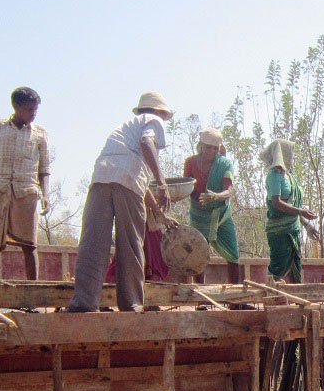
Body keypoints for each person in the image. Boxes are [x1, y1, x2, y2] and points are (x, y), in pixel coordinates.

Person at [68, 92, 175, 312]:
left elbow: (136, 178)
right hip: (126, 183)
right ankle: (131, 303)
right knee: (131, 244)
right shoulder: (152, 121)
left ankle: (84, 303)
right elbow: (147, 144)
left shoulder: (124, 130)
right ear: (159, 112)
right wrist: (162, 182)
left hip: (101, 178)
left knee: (93, 244)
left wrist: (157, 212)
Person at [0, 87, 50, 280]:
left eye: (35, 110)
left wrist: (46, 196)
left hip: (26, 192)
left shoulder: (40, 134)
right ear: (16, 107)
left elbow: (44, 169)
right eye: (28, 109)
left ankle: (32, 294)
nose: (33, 114)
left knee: (29, 244)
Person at [184, 128, 241, 284]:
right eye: (208, 147)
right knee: (199, 253)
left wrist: (215, 196)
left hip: (221, 213)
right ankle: (201, 299)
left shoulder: (224, 164)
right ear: (201, 145)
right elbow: (187, 186)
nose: (211, 151)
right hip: (199, 213)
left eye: (215, 148)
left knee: (233, 254)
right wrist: (200, 198)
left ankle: (235, 299)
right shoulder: (190, 162)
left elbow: (229, 190)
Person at [264, 139, 318, 283]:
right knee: (278, 265)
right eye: (289, 153)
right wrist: (301, 211)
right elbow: (276, 202)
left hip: (293, 228)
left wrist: (306, 225)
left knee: (296, 265)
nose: (292, 156)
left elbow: (292, 206)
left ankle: (297, 298)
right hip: (279, 230)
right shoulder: (274, 175)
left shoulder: (290, 176)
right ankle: (270, 295)